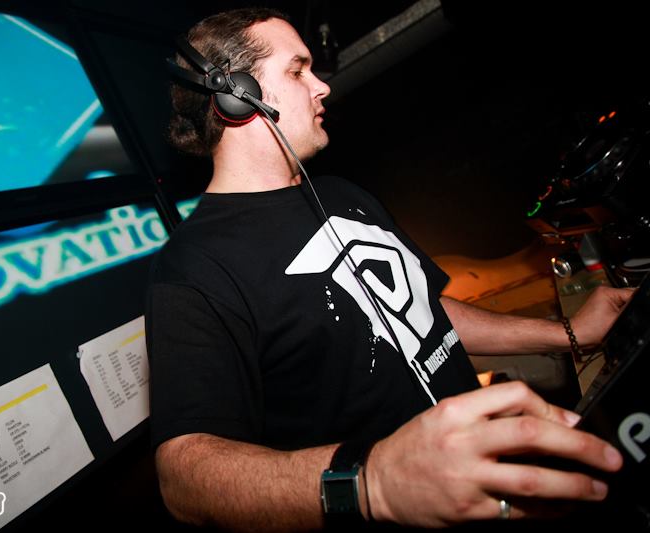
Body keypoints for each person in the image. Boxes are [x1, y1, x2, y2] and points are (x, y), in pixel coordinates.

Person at [145, 7, 635, 531]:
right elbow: (184, 476)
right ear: (236, 95)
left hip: (492, 489)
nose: (322, 86)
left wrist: (569, 333)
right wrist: (372, 480)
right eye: (297, 70)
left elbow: (426, 312)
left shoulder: (340, 194)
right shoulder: (192, 270)